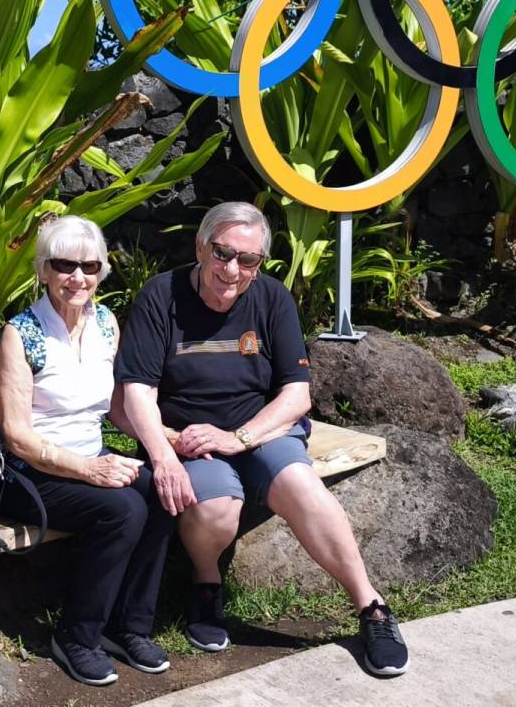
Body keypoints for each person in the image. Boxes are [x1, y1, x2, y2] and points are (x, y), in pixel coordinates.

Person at [114, 201, 409, 677]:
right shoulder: (161, 296)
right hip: (191, 439)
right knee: (217, 507)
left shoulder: (273, 298)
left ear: (260, 264)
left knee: (303, 487)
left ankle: (371, 607)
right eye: (222, 253)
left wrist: (239, 437)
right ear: (200, 247)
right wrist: (166, 451)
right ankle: (206, 585)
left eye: (247, 259)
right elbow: (135, 394)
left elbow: (297, 394)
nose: (231, 269)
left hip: (260, 430)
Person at [0, 215, 173, 687]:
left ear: (101, 272)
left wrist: (166, 439)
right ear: (44, 270)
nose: (78, 278)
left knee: (163, 490)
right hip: (31, 472)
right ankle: (76, 636)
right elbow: (16, 435)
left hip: (92, 457)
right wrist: (89, 470)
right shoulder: (21, 333)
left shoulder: (106, 324)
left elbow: (116, 407)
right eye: (65, 265)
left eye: (89, 267)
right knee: (123, 511)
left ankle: (129, 627)